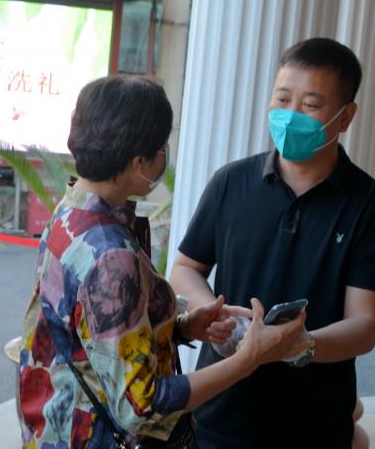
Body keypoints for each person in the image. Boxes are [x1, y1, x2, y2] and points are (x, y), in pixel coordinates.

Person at [19, 75, 310, 448]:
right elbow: (140, 406)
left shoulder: (71, 212)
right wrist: (246, 359)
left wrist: (182, 326)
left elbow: (96, 333)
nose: (164, 157)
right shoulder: (110, 254)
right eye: (161, 148)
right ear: (139, 161)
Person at [170, 37, 375, 448]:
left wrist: (302, 345)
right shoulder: (230, 182)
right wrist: (213, 313)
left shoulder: (373, 209)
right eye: (282, 99)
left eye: (310, 105)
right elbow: (187, 267)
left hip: (315, 421)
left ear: (346, 116)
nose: (291, 116)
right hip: (219, 412)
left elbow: (365, 326)